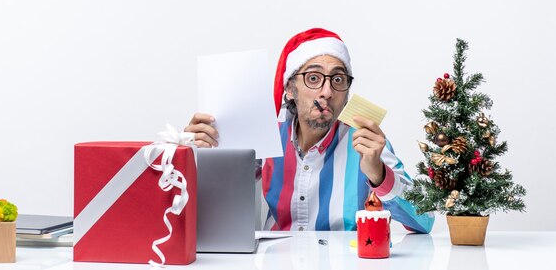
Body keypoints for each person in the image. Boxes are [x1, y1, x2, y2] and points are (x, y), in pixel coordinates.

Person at [186, 28, 434, 233]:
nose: (327, 92)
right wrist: (203, 154)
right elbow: (215, 202)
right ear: (290, 89)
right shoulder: (268, 132)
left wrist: (378, 173)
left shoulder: (364, 140)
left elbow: (426, 220)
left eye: (338, 80)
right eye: (313, 78)